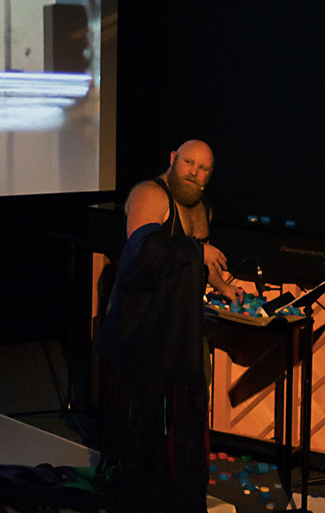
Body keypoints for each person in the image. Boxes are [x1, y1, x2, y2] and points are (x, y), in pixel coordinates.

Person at [94, 140, 239, 513]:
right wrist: (196, 252)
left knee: (184, 415)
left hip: (180, 328)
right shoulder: (149, 194)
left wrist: (223, 285)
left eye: (203, 168)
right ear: (172, 160)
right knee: (142, 421)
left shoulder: (200, 205)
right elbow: (144, 249)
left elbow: (198, 260)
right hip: (142, 327)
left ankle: (176, 493)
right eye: (188, 162)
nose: (194, 172)